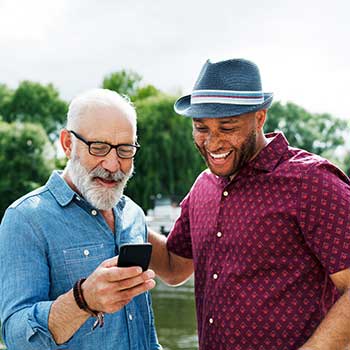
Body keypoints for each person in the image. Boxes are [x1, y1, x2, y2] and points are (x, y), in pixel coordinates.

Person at [148, 58, 350, 350]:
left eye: (227, 127)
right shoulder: (203, 186)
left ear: (259, 118)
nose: (212, 142)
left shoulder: (311, 181)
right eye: (201, 128)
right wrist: (117, 215)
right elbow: (173, 267)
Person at [0, 89, 161, 350]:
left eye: (125, 150)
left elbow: (143, 325)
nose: (112, 164)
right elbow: (17, 338)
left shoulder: (133, 214)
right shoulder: (25, 219)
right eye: (98, 147)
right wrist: (83, 300)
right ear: (67, 144)